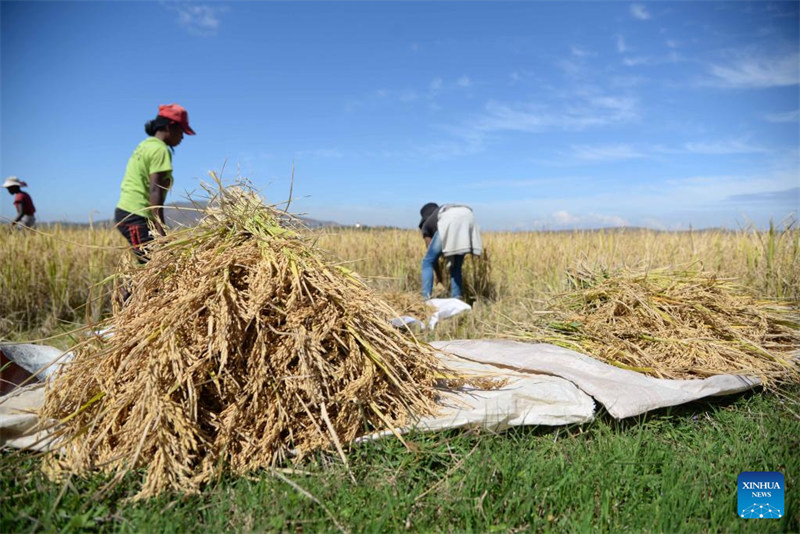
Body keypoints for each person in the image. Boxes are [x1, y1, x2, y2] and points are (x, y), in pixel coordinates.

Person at [115, 103, 196, 262]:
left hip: (129, 213)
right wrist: (161, 231)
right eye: (181, 131)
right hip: (135, 216)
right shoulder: (160, 150)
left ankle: (133, 286)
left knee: (147, 264)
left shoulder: (145, 145)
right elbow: (155, 190)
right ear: (170, 127)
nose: (182, 137)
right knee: (153, 265)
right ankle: (131, 288)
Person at [418, 202, 483, 300]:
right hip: (468, 215)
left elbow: (431, 258)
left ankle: (425, 299)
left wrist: (439, 276)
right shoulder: (441, 212)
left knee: (426, 262)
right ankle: (456, 299)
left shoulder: (427, 225)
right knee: (456, 266)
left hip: (450, 218)